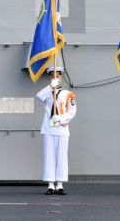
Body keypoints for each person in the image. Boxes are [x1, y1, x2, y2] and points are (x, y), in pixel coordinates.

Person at [36, 66, 77, 195]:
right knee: (49, 157)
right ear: (50, 77)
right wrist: (50, 87)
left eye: (57, 76)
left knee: (61, 157)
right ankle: (50, 184)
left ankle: (59, 184)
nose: (55, 78)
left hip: (62, 128)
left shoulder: (67, 93)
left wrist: (60, 118)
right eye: (52, 76)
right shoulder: (47, 92)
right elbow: (38, 96)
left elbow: (72, 111)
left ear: (61, 77)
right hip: (48, 128)